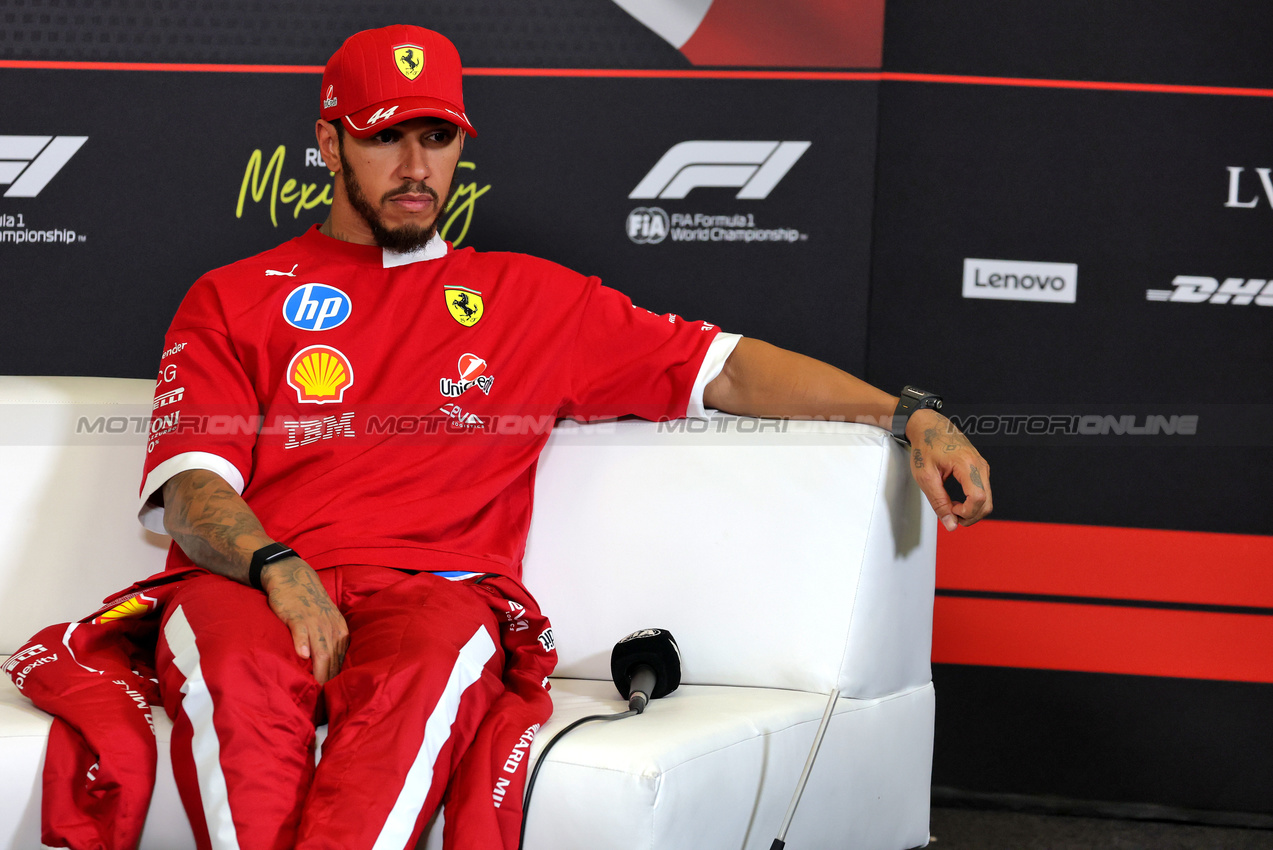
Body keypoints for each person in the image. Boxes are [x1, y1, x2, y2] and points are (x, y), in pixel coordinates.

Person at [135, 23, 991, 850]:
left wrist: (906, 413)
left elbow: (726, 371)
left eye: (436, 136)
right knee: (231, 667)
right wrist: (280, 571)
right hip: (255, 584)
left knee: (431, 661)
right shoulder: (231, 296)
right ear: (327, 142)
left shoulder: (530, 300)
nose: (414, 167)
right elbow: (192, 493)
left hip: (435, 591)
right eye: (383, 136)